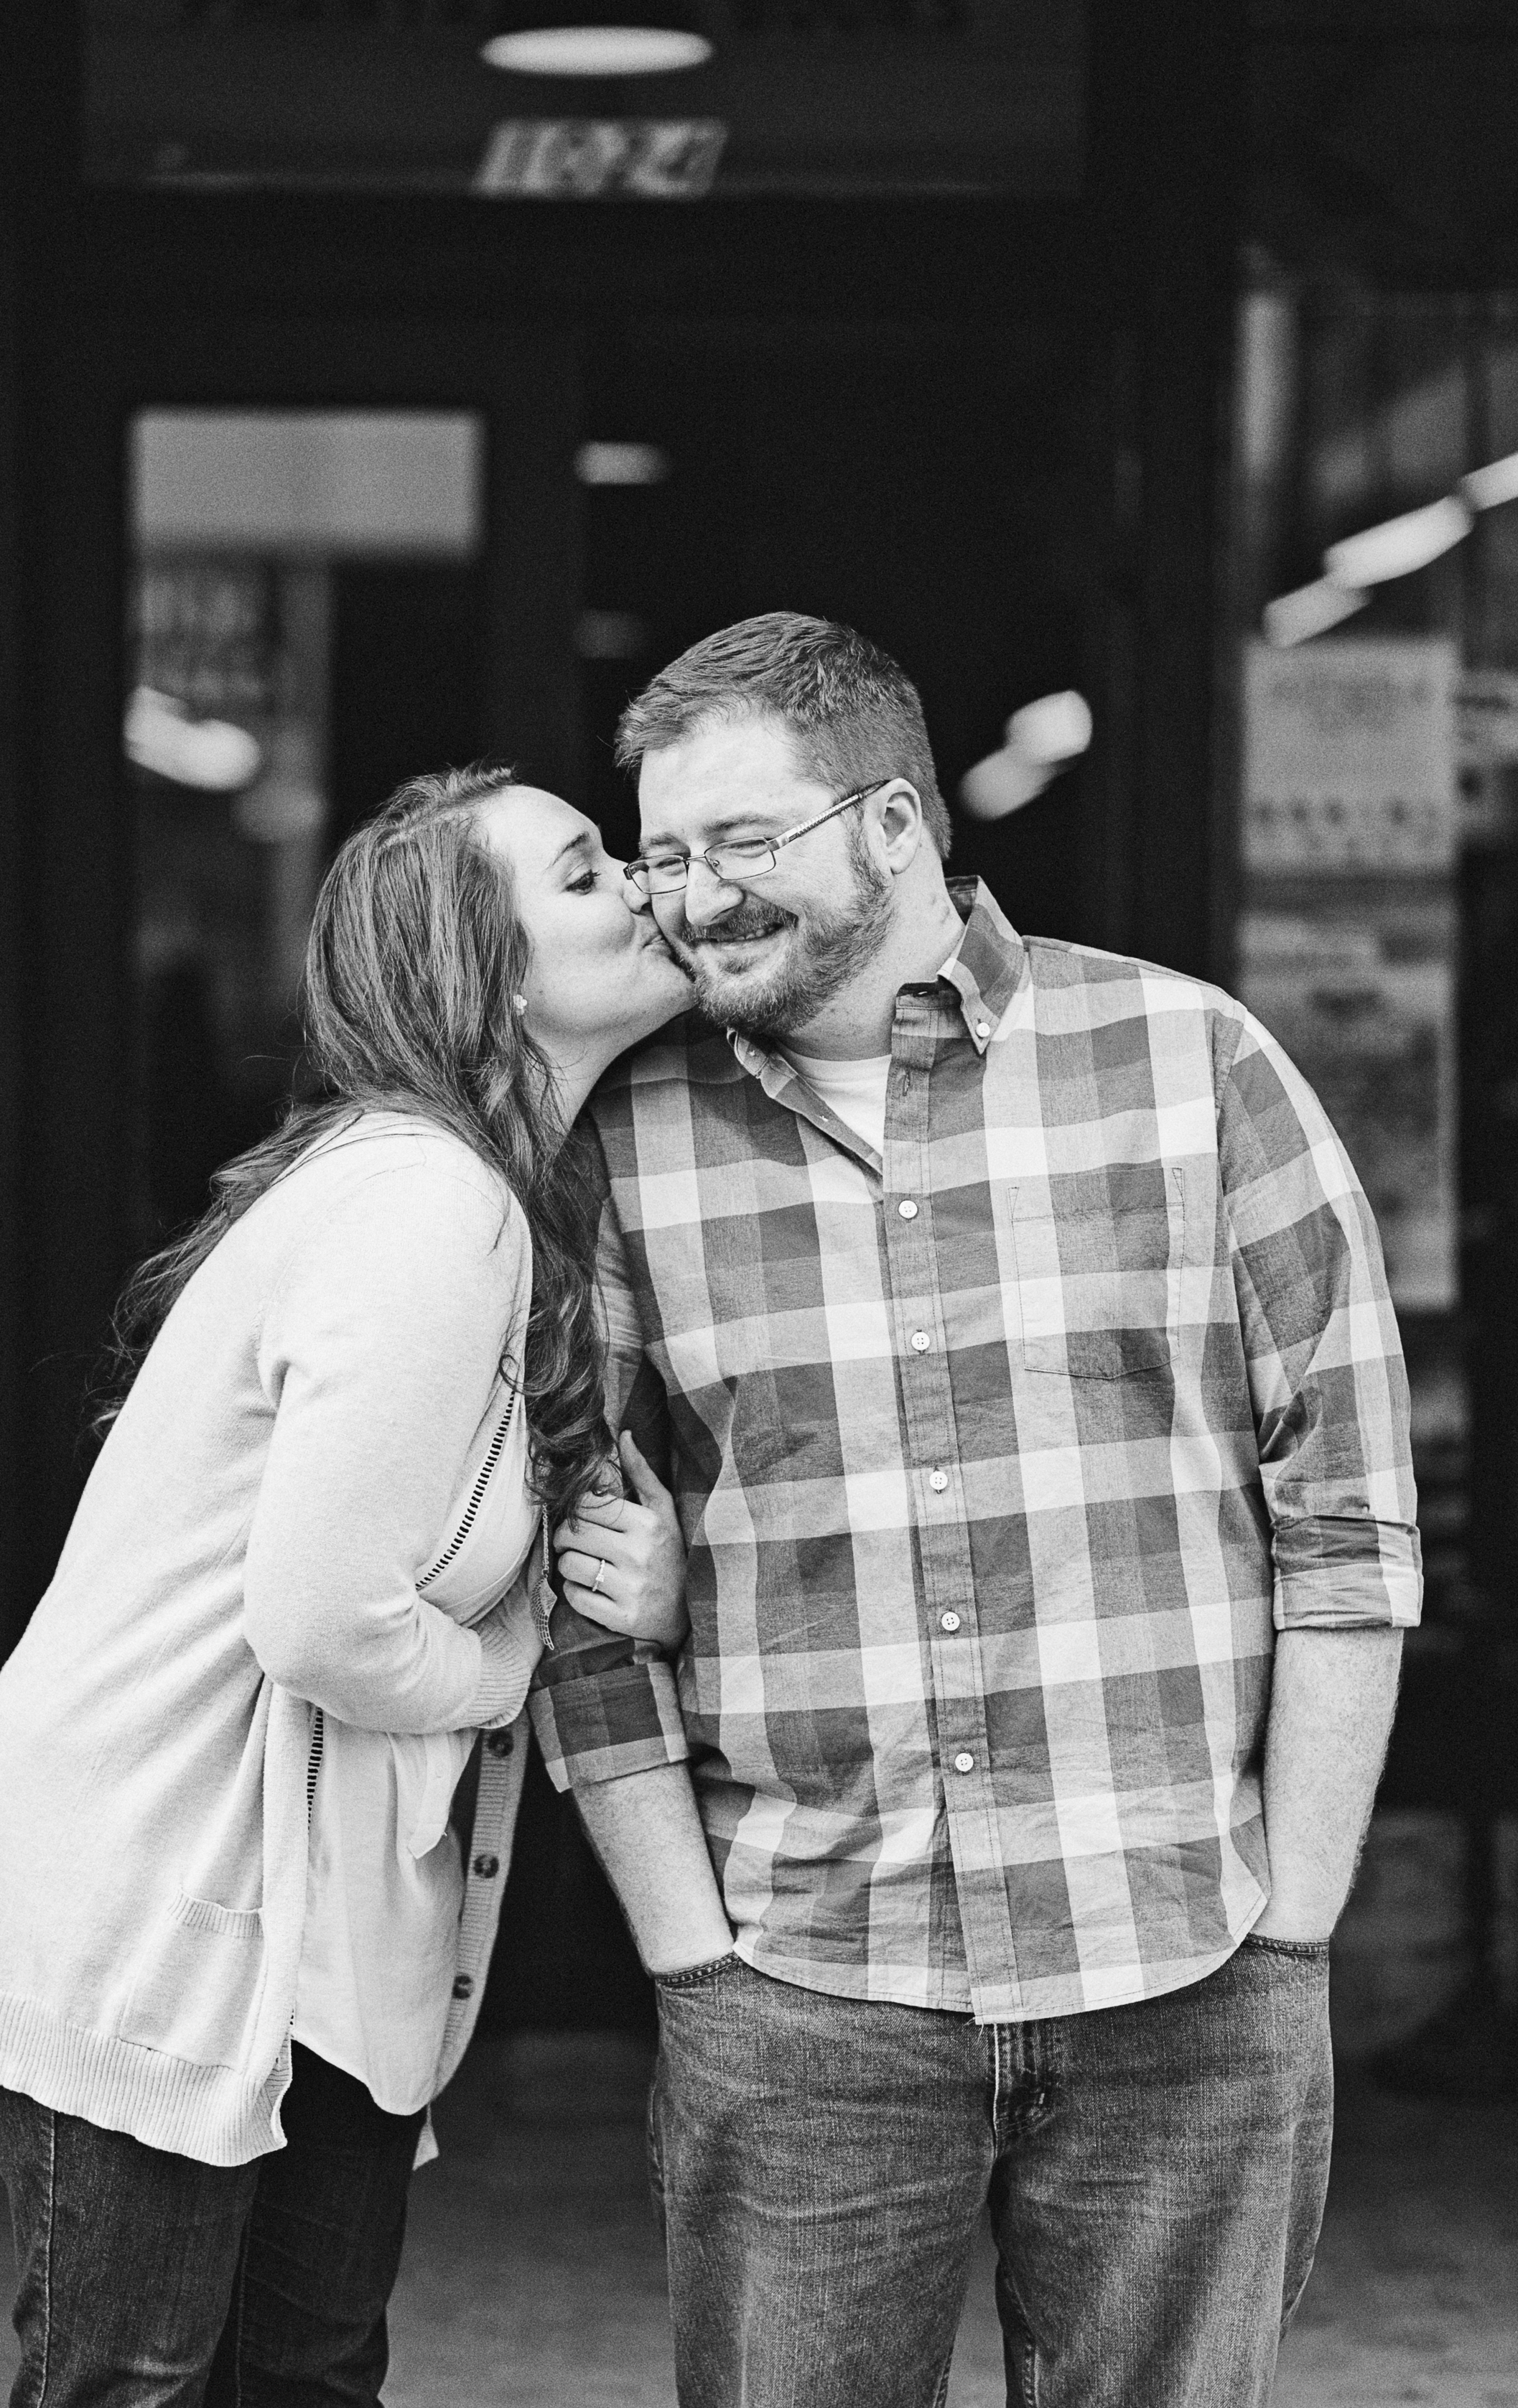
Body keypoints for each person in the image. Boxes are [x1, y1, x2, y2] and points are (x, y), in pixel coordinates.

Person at [533, 613, 1421, 2408]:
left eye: (736, 845)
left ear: (890, 825)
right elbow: (560, 1571)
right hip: (798, 1983)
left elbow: (1344, 1510)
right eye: (662, 855)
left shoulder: (1193, 1065)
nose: (687, 901)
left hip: (1184, 1967)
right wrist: (685, 1951)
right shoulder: (624, 1147)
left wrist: (1295, 1918)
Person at [0, 762, 691, 2408]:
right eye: (581, 870)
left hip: (318, 1929)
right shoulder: (427, 1206)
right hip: (163, 1894)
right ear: (487, 972)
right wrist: (501, 1670)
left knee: (305, 2379)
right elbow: (325, 1618)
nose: (640, 879)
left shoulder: (482, 1198)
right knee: (141, 2381)